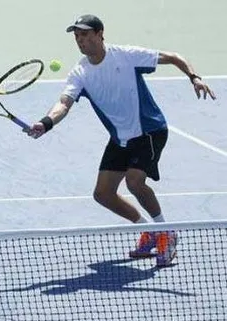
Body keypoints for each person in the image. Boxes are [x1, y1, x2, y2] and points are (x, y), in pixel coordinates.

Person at [26, 15, 216, 267]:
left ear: (100, 34)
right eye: (77, 37)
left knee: (134, 181)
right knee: (103, 194)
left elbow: (173, 56)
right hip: (121, 138)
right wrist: (46, 123)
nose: (80, 41)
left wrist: (194, 77)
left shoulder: (126, 56)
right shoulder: (80, 72)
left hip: (149, 129)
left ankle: (166, 232)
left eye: (85, 35)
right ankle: (149, 231)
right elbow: (64, 103)